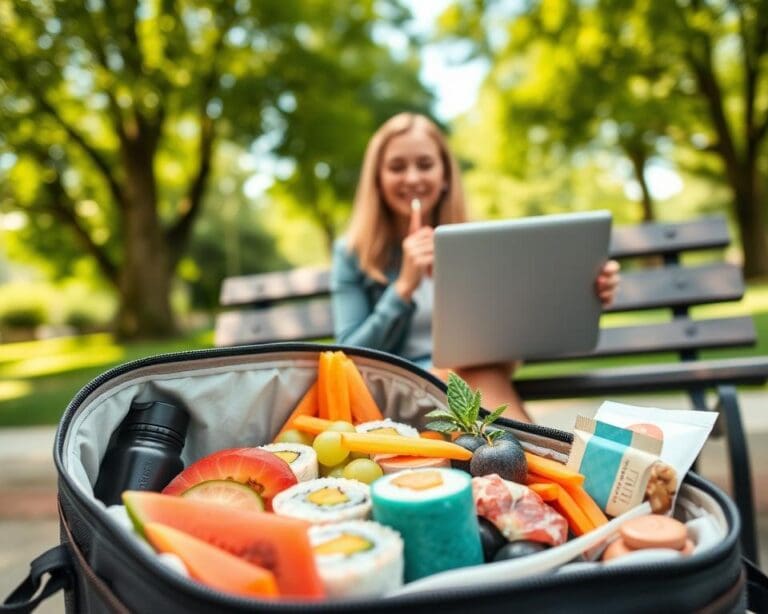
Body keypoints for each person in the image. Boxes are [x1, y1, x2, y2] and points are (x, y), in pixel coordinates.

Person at [331, 112, 620, 423]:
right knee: (479, 379)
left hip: (475, 379)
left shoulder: (476, 244)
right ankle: (545, 465)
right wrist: (403, 288)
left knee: (480, 373)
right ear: (377, 178)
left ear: (444, 177)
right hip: (400, 390)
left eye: (425, 165)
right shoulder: (354, 252)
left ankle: (523, 465)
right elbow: (349, 356)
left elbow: (508, 334)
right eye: (397, 167)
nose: (413, 178)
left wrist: (584, 291)